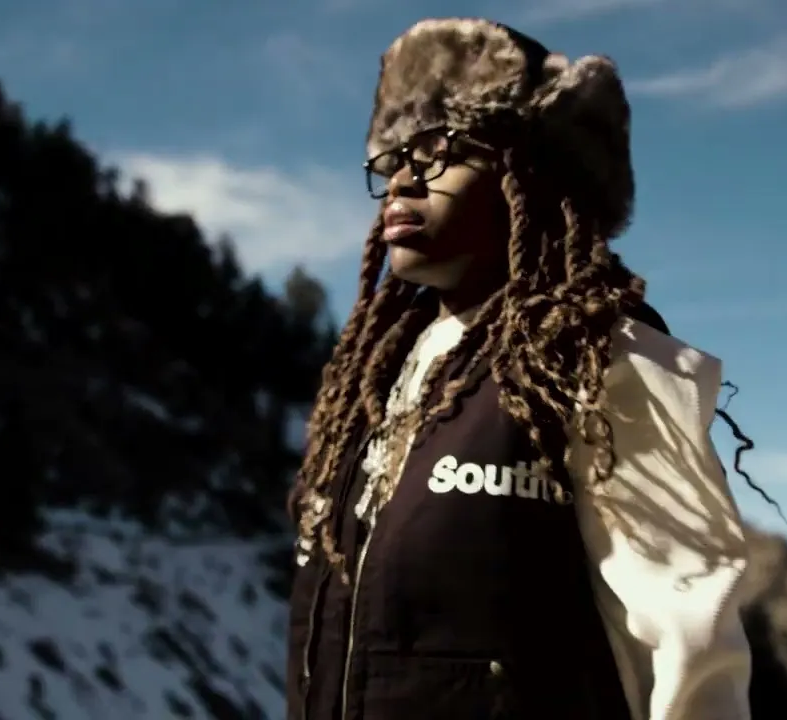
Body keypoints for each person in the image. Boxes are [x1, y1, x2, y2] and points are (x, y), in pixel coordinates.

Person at [286, 17, 753, 720]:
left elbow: (691, 657)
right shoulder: (370, 388)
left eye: (441, 152)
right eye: (393, 159)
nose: (404, 180)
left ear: (532, 175)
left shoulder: (604, 365)